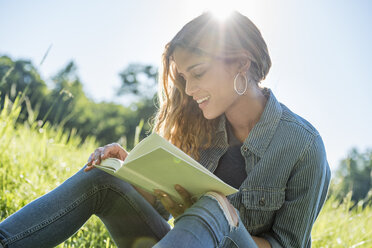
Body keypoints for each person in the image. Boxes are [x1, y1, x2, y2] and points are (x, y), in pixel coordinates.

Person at [0, 11, 331, 248]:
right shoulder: (200, 125)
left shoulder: (303, 146)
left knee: (215, 206)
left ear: (242, 64)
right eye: (184, 78)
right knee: (104, 177)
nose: (188, 91)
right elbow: (159, 205)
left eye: (197, 73)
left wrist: (218, 216)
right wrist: (131, 172)